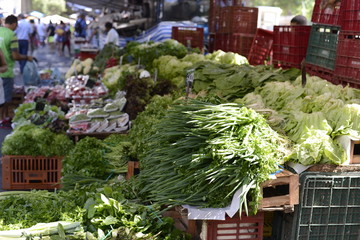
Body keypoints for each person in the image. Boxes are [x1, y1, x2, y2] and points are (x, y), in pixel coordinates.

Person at [0, 15, 33, 122]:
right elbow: (15, 56)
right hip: (6, 71)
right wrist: (27, 57)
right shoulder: (12, 35)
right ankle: (4, 119)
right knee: (6, 99)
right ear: (14, 24)